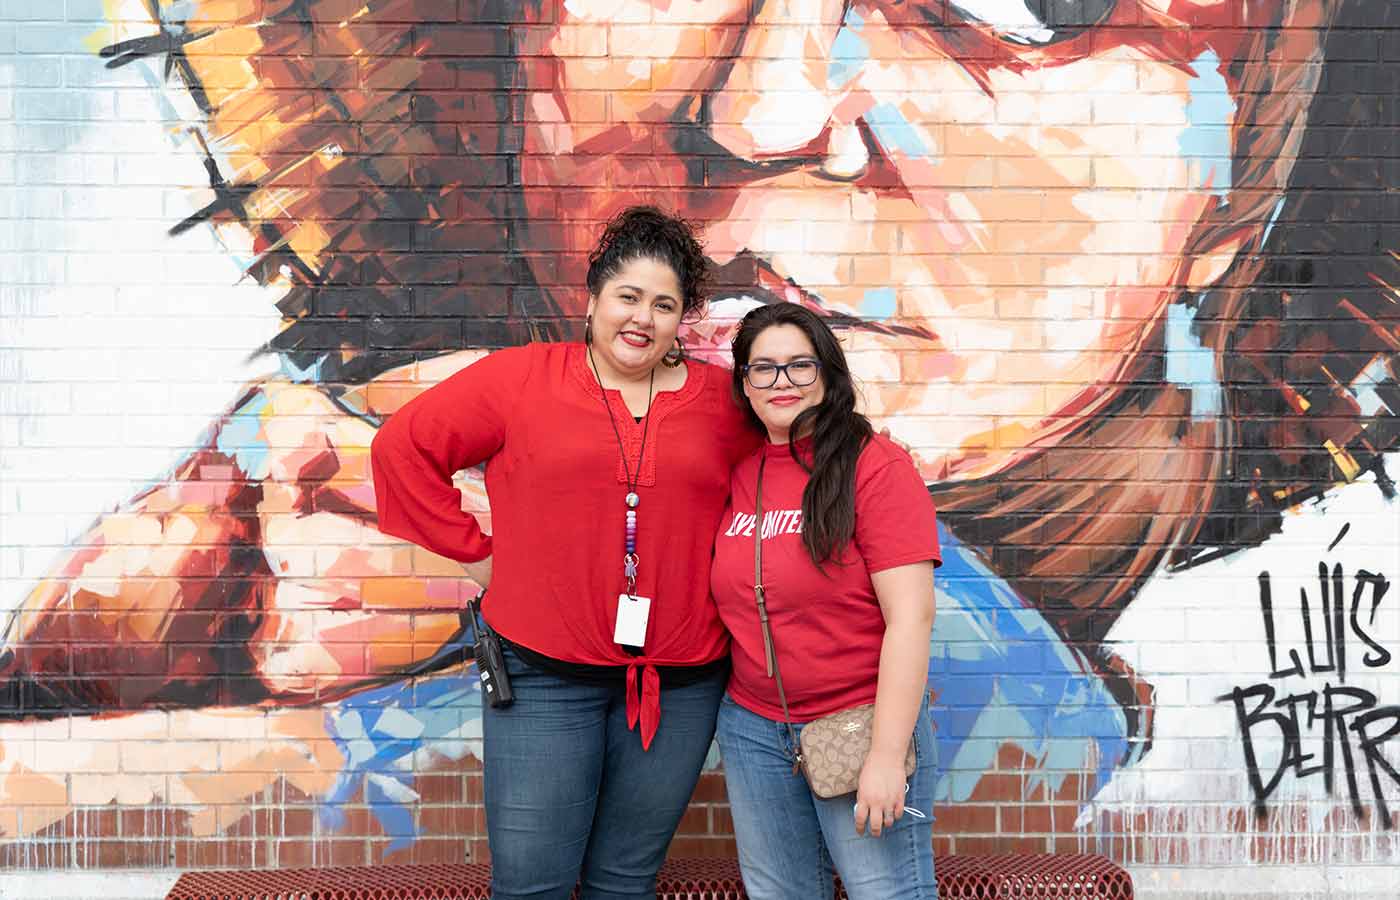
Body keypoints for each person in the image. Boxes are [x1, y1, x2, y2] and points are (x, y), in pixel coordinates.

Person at [369, 206, 758, 899]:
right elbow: (403, 448)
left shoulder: (723, 403)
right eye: (628, 297)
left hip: (680, 685)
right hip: (543, 678)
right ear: (593, 300)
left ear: (681, 322)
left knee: (625, 883)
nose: (642, 318)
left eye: (664, 305)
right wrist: (479, 555)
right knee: (531, 886)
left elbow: (790, 475)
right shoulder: (521, 379)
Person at [711, 303, 940, 900]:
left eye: (798, 366)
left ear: (829, 375)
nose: (780, 382)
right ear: (744, 384)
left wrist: (888, 756)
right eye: (763, 368)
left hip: (859, 722)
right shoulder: (740, 472)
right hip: (755, 730)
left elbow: (911, 619)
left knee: (886, 893)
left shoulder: (876, 468)